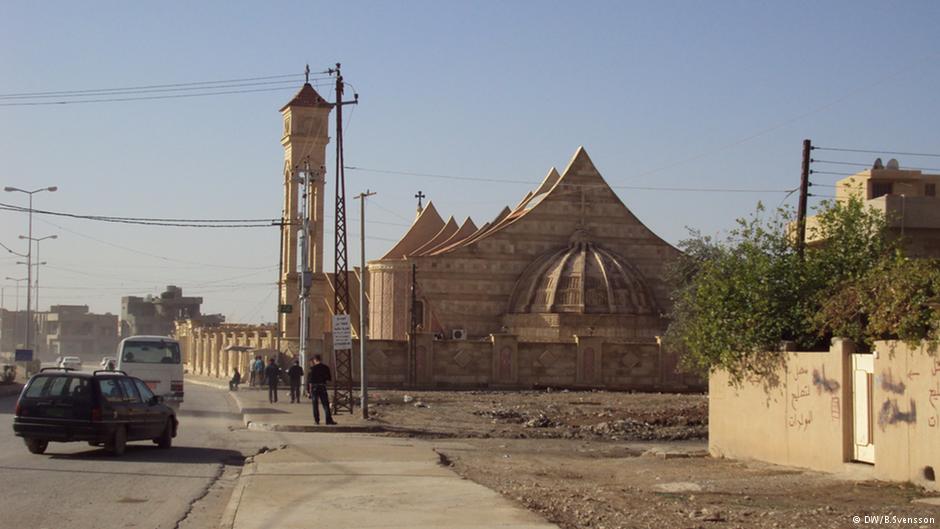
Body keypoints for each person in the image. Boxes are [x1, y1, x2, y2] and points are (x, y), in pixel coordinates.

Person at [306, 355, 336, 425]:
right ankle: (328, 420)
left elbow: (310, 382)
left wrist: (309, 392)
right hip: (322, 387)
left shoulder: (312, 369)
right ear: (320, 359)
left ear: (315, 360)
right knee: (325, 404)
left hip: (314, 388)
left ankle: (317, 421)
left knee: (315, 404)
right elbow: (329, 378)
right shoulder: (326, 368)